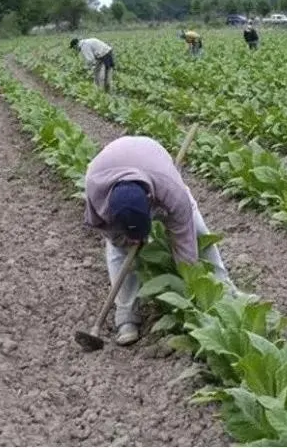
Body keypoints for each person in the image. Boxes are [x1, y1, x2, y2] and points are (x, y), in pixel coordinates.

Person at [84, 136, 238, 346]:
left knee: (199, 231)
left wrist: (191, 284)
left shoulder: (170, 190)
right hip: (110, 168)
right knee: (117, 251)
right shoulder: (95, 189)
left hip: (153, 159)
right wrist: (125, 239)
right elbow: (103, 227)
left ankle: (226, 290)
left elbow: (184, 242)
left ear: (151, 201)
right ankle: (126, 315)